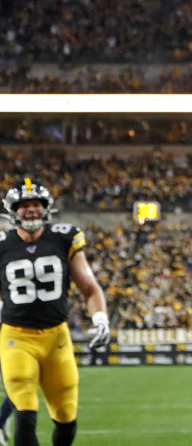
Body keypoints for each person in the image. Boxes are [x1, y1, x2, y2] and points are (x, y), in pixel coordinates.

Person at [0, 180, 111, 446]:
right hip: (17, 337)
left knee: (65, 415)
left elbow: (90, 287)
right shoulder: (3, 244)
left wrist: (100, 318)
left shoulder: (64, 237)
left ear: (46, 208)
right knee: (24, 412)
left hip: (56, 339)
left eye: (36, 204)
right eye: (24, 205)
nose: (30, 210)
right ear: (12, 210)